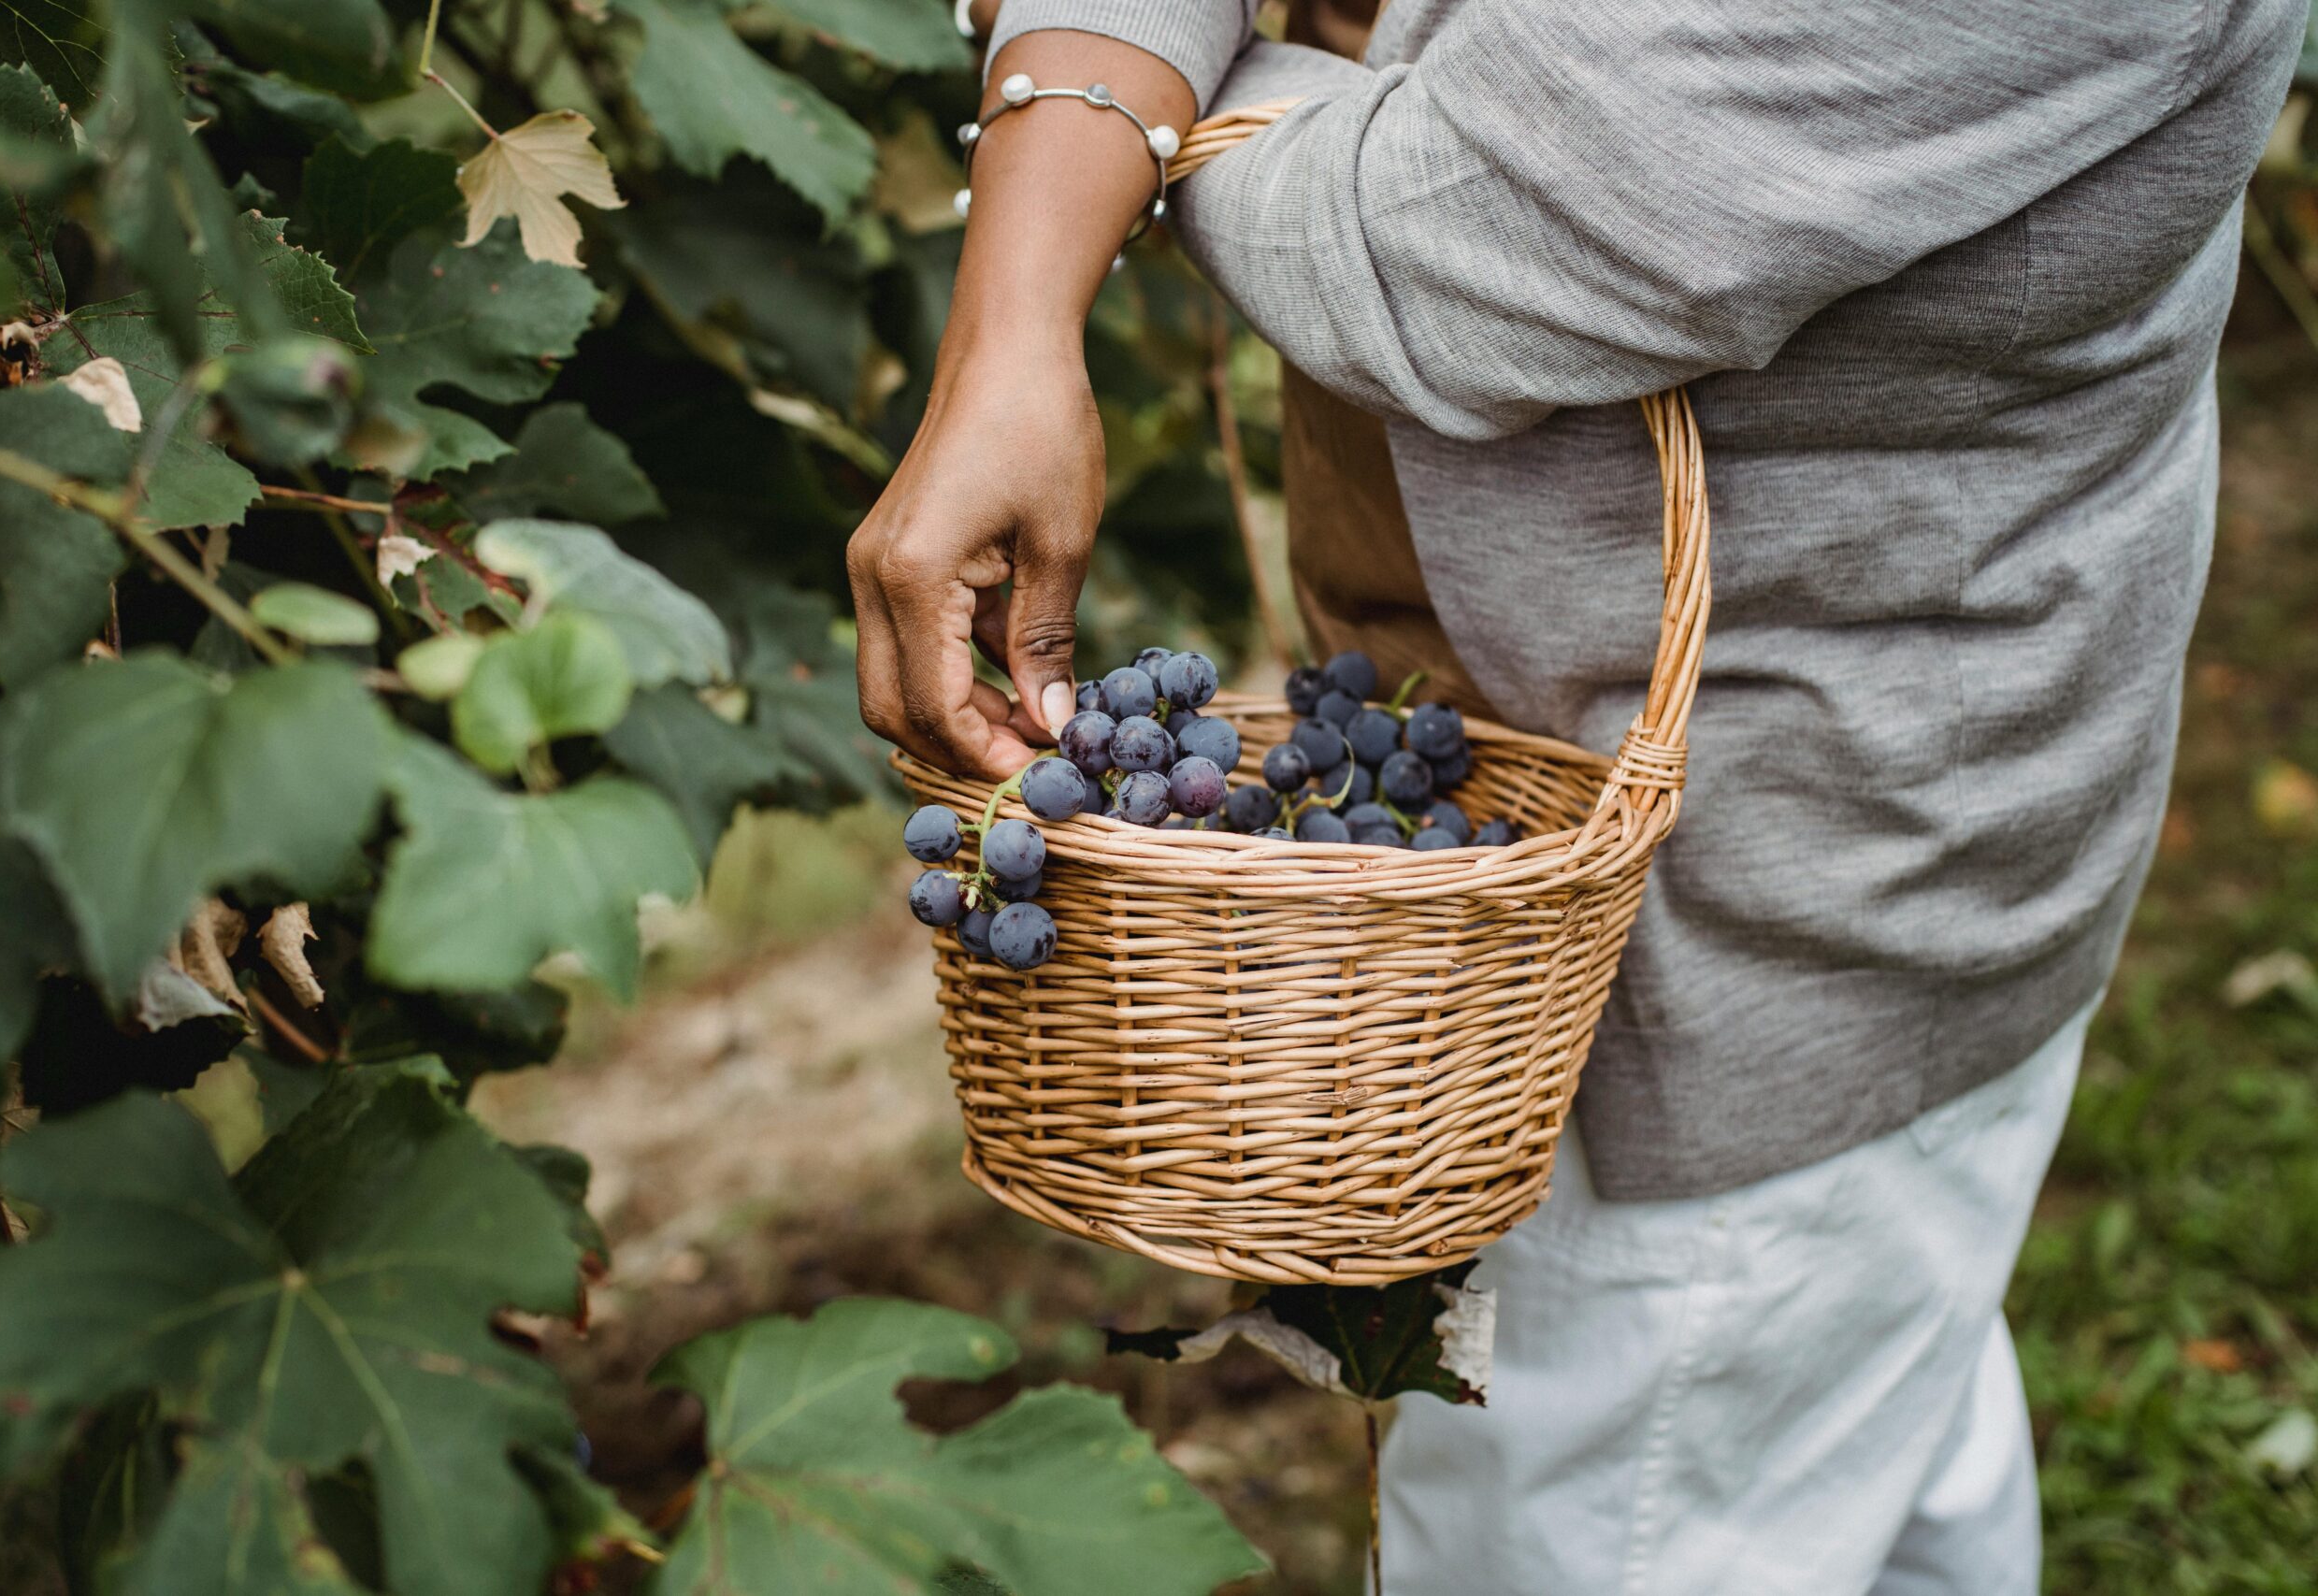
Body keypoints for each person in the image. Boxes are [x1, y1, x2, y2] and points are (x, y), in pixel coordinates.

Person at [845, 2, 2305, 1590]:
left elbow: (1437, 231)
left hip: (1780, 910)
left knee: (1659, 1448)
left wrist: (1094, 114)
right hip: (1514, 831)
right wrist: (1034, 280)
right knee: (1851, 1418)